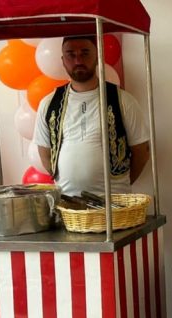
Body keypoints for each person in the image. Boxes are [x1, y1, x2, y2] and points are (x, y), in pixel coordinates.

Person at [34, 35, 150, 197]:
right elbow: (44, 152)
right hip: (67, 204)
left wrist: (120, 185)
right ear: (63, 60)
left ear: (98, 55)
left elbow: (142, 152)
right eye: (71, 54)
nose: (78, 60)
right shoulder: (48, 104)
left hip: (114, 203)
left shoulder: (123, 101)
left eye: (85, 53)